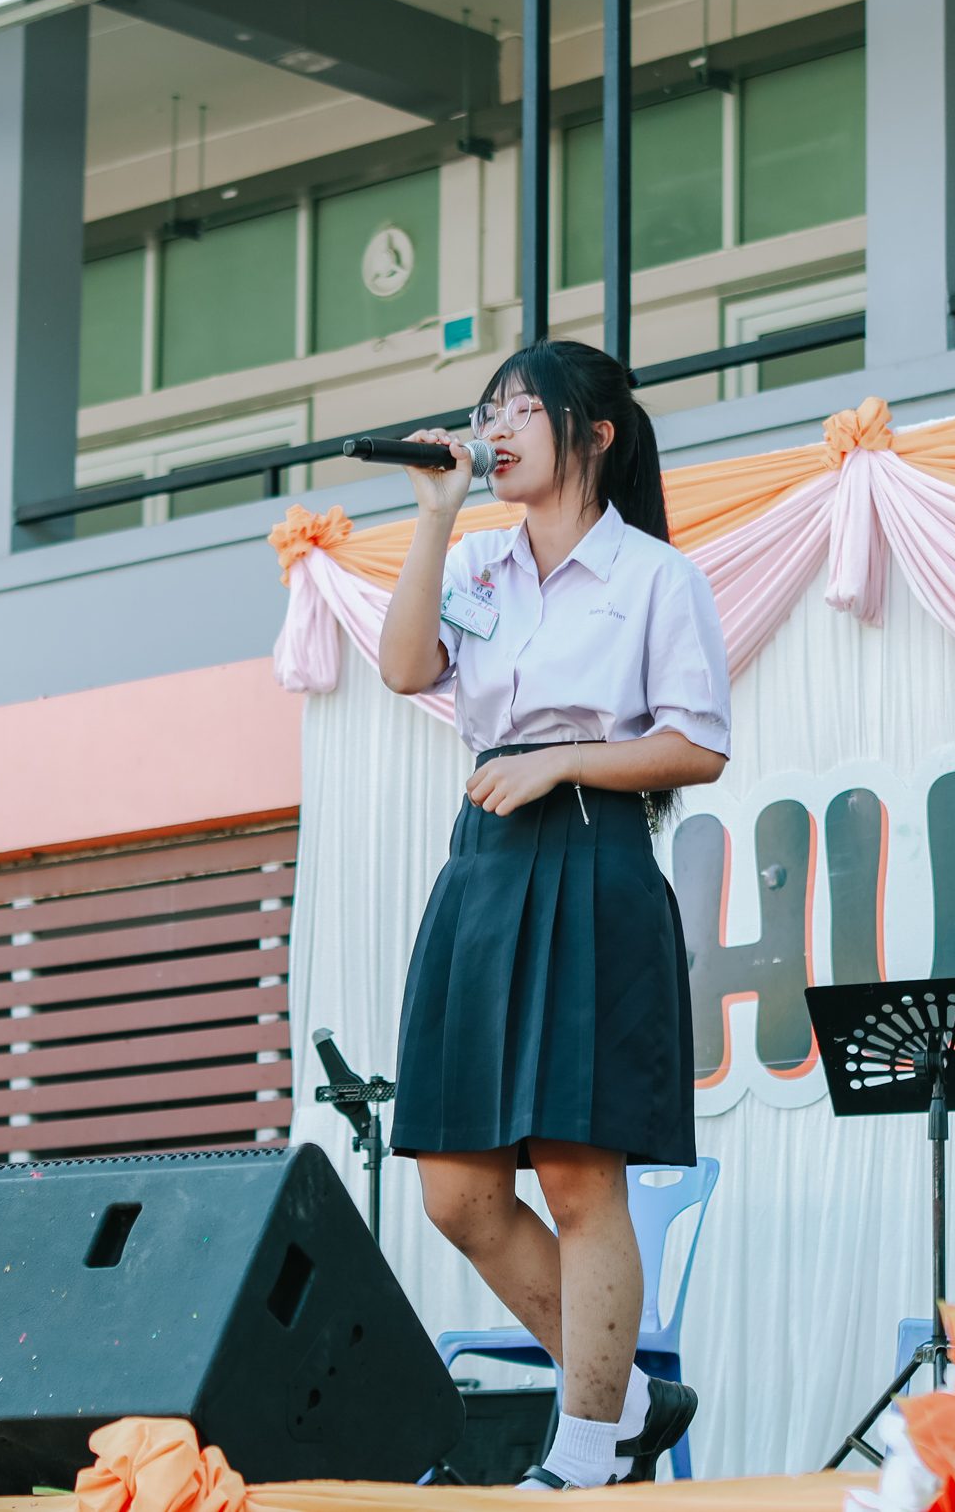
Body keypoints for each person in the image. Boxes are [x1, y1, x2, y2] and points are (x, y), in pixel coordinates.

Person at [376, 340, 730, 1491]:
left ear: (596, 431)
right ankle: (628, 1401)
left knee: (581, 1178)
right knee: (455, 1187)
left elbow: (697, 744)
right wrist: (435, 513)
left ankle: (585, 1452)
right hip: (483, 866)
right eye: (489, 410)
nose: (497, 427)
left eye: (523, 408)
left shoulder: (653, 575)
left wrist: (564, 758)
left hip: (592, 853)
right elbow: (402, 667)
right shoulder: (476, 563)